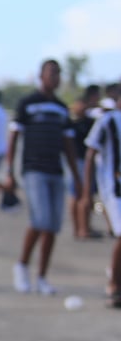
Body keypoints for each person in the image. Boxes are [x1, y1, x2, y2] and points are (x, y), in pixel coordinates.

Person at [7, 59, 82, 295]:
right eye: (51, 73)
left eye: (58, 73)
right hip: (34, 170)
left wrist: (77, 176)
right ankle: (21, 265)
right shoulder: (27, 104)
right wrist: (10, 170)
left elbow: (68, 144)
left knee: (52, 226)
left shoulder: (61, 108)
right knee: (40, 220)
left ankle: (42, 277)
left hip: (56, 171)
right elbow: (14, 137)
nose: (55, 77)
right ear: (41, 76)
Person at [82, 89, 121, 307]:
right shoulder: (108, 121)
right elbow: (90, 153)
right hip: (112, 188)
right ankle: (113, 284)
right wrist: (88, 192)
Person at [70, 85, 101, 239]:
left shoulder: (88, 122)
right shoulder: (75, 124)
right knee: (80, 195)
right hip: (79, 162)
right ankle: (80, 229)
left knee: (83, 195)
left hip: (84, 162)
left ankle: (83, 227)